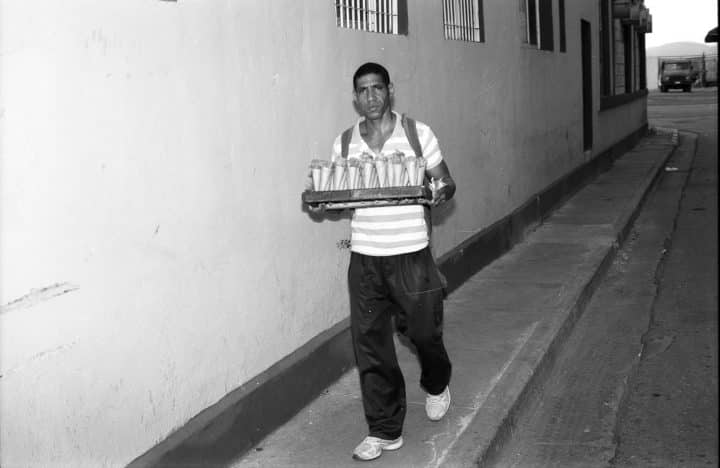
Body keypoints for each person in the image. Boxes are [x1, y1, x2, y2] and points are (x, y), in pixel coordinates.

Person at [327, 62, 457, 461]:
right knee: (370, 345)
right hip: (366, 258)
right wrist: (327, 202)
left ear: (390, 90)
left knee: (423, 333)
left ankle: (436, 383)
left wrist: (439, 192)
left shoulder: (418, 133)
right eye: (363, 90)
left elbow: (446, 181)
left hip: (411, 255)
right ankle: (384, 430)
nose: (371, 97)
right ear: (355, 97)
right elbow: (339, 198)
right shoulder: (345, 144)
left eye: (377, 88)